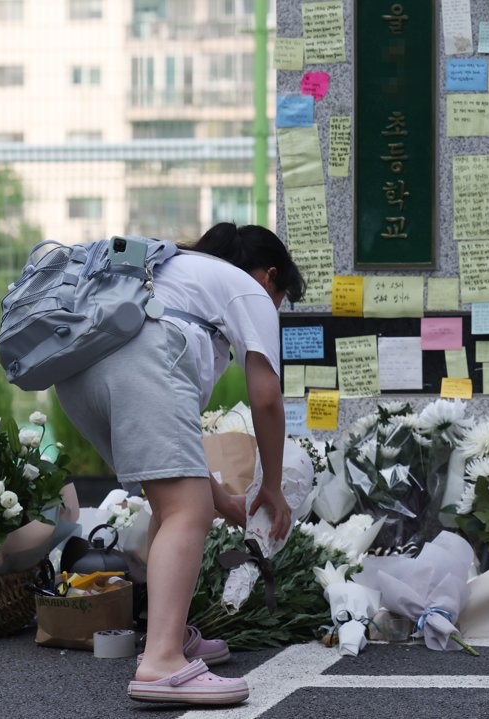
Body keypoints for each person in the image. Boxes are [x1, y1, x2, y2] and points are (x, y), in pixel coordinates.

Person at [55, 222, 303, 705]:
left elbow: (177, 455)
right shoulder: (247, 291)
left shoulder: (174, 275)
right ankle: (162, 661)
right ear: (270, 277)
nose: (274, 309)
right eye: (282, 298)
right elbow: (267, 400)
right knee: (188, 513)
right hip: (140, 362)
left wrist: (226, 501)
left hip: (80, 373)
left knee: (174, 507)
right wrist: (271, 486)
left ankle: (166, 636)